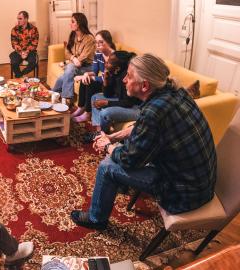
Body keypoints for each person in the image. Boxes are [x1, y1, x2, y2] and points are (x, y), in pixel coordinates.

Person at [70, 54, 217, 230]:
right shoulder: (176, 92)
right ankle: (119, 185)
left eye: (129, 76)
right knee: (125, 146)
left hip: (183, 193)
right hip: (200, 182)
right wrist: (112, 137)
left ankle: (96, 219)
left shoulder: (154, 112)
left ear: (145, 85)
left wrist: (107, 146)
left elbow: (128, 160)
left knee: (107, 166)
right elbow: (141, 128)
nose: (124, 79)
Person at [80, 51, 142, 143]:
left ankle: (104, 136)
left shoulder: (125, 78)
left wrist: (107, 103)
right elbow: (107, 94)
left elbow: (128, 102)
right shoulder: (114, 73)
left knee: (105, 113)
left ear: (117, 67)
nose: (105, 63)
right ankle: (99, 131)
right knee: (95, 97)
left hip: (135, 107)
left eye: (108, 62)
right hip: (123, 101)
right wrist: (105, 81)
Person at [71, 30, 116, 122]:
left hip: (111, 85)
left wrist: (90, 77)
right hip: (103, 81)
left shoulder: (114, 57)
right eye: (96, 42)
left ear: (108, 42)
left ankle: (88, 113)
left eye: (101, 42)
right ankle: (81, 108)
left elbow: (106, 77)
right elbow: (95, 72)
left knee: (90, 82)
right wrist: (86, 74)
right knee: (85, 79)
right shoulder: (98, 54)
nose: (98, 45)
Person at [52, 13, 96, 103]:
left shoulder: (89, 39)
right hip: (76, 65)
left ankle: (64, 98)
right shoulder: (73, 35)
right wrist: (73, 58)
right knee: (65, 74)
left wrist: (75, 60)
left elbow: (82, 59)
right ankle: (58, 96)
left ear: (79, 24)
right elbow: (67, 52)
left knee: (69, 69)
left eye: (73, 22)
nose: (70, 24)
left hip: (88, 67)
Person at [10, 10, 39, 78]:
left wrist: (26, 52)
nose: (18, 20)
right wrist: (21, 52)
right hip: (18, 51)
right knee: (14, 62)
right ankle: (20, 77)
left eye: (20, 19)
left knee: (33, 62)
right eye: (18, 18)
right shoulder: (14, 29)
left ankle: (20, 75)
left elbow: (34, 43)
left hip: (30, 51)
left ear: (26, 19)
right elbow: (14, 43)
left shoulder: (34, 29)